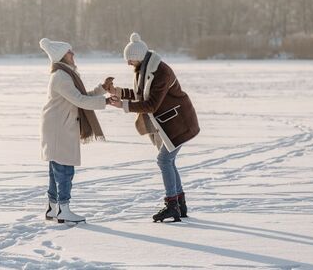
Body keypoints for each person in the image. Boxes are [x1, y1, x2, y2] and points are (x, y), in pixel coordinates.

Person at [108, 33, 200, 222]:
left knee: (164, 160)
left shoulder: (161, 72)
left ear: (139, 56)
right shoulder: (145, 69)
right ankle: (179, 204)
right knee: (169, 161)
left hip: (179, 123)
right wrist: (119, 92)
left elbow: (151, 104)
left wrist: (123, 106)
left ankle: (172, 205)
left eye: (130, 59)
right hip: (168, 124)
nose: (128, 64)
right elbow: (141, 93)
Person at [39, 38, 114, 224]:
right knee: (64, 170)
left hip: (60, 126)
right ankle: (63, 210)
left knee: (56, 169)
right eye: (70, 52)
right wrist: (105, 101)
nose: (73, 54)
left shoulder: (66, 75)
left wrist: (102, 89)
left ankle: (53, 207)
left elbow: (81, 97)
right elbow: (79, 100)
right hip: (59, 129)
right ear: (61, 56)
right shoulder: (61, 77)